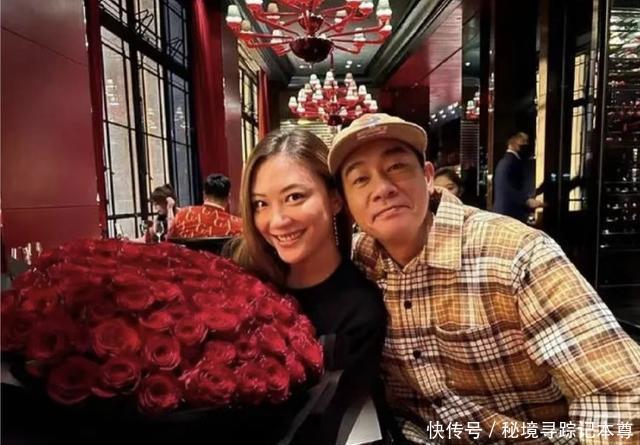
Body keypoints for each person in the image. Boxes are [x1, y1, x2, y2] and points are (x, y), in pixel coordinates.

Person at [328, 113, 640, 444]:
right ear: (344, 204)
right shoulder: (357, 262)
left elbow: (618, 395)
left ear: (429, 176)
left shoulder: (514, 254)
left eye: (397, 167)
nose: (382, 189)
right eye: (360, 179)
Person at [232, 128, 387, 445]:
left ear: (335, 199)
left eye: (294, 197)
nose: (277, 220)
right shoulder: (243, 281)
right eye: (261, 204)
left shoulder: (360, 310)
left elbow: (325, 423)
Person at [169, 173, 242, 239]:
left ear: (204, 195)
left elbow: (169, 241)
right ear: (228, 198)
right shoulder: (239, 226)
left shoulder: (182, 215)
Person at [493, 132, 544, 222]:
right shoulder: (510, 162)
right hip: (509, 214)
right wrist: (527, 201)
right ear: (514, 143)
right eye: (524, 142)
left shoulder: (506, 161)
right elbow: (507, 188)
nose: (527, 145)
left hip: (506, 213)